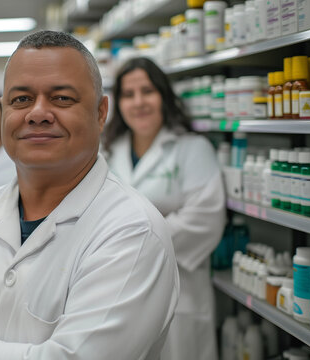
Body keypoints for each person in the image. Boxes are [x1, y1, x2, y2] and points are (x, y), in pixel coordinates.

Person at [0, 30, 179, 360]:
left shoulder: (132, 233)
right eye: (21, 99)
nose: (37, 113)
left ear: (100, 112)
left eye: (62, 98)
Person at [103, 57, 225, 360]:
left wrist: (127, 240)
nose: (138, 102)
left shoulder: (192, 148)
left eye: (148, 91)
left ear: (164, 96)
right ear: (118, 104)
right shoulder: (106, 151)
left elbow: (204, 218)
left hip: (179, 287)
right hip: (116, 290)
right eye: (129, 95)